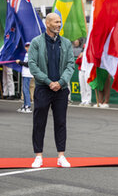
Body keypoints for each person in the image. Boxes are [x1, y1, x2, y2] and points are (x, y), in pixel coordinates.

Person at [28, 13, 75, 168]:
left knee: (61, 122)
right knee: (39, 122)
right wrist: (48, 82)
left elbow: (70, 65)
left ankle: (61, 156)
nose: (59, 24)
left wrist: (61, 82)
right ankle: (38, 156)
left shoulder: (66, 43)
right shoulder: (36, 42)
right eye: (56, 22)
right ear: (47, 23)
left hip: (61, 90)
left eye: (60, 22)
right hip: (43, 88)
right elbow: (32, 65)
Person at [16, 43, 33, 113]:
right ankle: (25, 105)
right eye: (26, 46)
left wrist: (20, 62)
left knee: (26, 90)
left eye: (28, 46)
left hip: (28, 74)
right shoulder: (26, 54)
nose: (27, 48)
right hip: (25, 74)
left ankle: (28, 106)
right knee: (24, 89)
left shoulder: (32, 54)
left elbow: (28, 64)